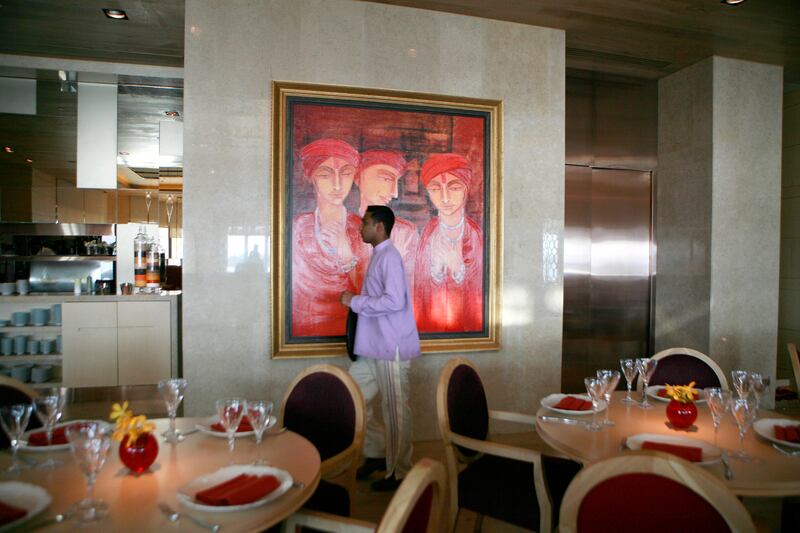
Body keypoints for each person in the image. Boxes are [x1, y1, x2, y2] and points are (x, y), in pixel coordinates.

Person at [340, 205, 421, 491]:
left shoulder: (390, 257)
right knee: (353, 398)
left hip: (390, 348)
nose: (360, 228)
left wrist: (354, 301)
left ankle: (399, 473)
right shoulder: (379, 256)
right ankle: (375, 452)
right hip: (371, 348)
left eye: (365, 223)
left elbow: (393, 302)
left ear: (379, 227)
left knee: (395, 411)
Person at [291, 138, 363, 337]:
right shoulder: (298, 227)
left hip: (353, 329)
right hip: (306, 327)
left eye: (346, 174)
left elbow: (372, 290)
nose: (338, 184)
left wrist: (347, 255)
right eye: (325, 175)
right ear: (312, 177)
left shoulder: (361, 227)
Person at [414, 153, 483, 333]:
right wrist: (436, 272)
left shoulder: (474, 235)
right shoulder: (429, 233)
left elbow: (478, 292)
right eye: (436, 189)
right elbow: (420, 289)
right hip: (432, 320)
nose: (444, 198)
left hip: (465, 323)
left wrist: (457, 269)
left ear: (466, 189)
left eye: (453, 188)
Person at [353, 150, 419, 289]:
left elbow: (409, 289)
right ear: (359, 178)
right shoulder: (345, 227)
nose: (394, 193)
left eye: (396, 182)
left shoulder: (405, 232)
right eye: (386, 179)